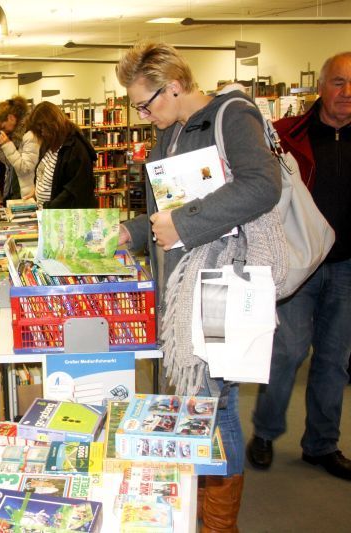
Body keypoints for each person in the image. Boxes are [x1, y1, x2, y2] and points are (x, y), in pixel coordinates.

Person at [116, 41, 285, 531]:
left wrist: (184, 227)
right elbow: (167, 211)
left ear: (173, 87)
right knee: (203, 402)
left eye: (146, 104)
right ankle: (203, 510)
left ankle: (218, 523)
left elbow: (261, 186)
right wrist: (137, 230)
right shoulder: (166, 135)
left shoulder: (232, 116)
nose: (144, 115)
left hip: (221, 286)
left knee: (211, 405)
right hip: (183, 290)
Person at [247, 51, 351, 481]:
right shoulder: (287, 135)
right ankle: (266, 433)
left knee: (334, 359)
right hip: (298, 264)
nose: (347, 94)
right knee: (286, 351)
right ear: (321, 87)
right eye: (339, 83)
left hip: (347, 266)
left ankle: (321, 444)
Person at [25, 101, 97, 208]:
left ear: (54, 124)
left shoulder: (76, 149)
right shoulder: (48, 144)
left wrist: (49, 208)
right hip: (45, 213)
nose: (42, 133)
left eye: (43, 128)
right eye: (39, 130)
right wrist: (36, 191)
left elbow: (74, 191)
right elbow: (43, 175)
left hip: (63, 217)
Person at [0, 96, 39, 200]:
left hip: (28, 194)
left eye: (3, 127)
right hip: (15, 191)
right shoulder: (14, 135)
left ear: (11, 118)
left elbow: (25, 168)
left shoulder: (30, 135)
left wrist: (7, 145)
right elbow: (10, 164)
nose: (3, 132)